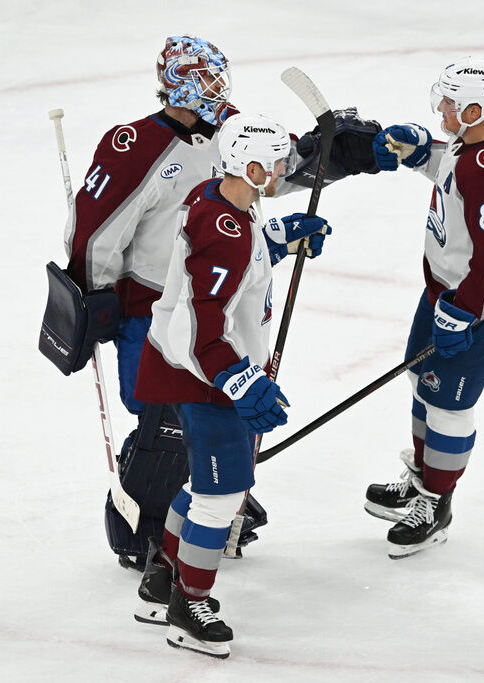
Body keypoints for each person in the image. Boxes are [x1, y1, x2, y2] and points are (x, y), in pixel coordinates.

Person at [63, 34, 381, 568]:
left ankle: (211, 494)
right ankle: (143, 530)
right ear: (177, 85)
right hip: (153, 304)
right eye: (206, 80)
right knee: (165, 416)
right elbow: (97, 231)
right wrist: (93, 295)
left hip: (216, 293)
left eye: (218, 77)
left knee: (213, 402)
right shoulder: (136, 145)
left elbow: (264, 175)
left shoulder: (228, 128)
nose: (218, 89)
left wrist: (328, 153)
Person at [130, 112, 333, 658]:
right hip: (207, 377)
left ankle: (163, 577)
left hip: (201, 370)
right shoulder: (224, 234)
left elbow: (234, 245)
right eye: (275, 160)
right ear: (248, 163)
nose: (284, 168)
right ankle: (188, 607)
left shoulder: (221, 199)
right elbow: (201, 326)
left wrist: (275, 237)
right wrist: (241, 382)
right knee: (222, 496)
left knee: (204, 484)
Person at [363, 57, 484, 559]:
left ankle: (436, 502)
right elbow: (456, 168)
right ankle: (424, 474)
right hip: (448, 292)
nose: (438, 107)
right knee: (421, 380)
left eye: (447, 102)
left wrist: (466, 311)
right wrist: (425, 152)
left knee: (449, 404)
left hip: (481, 304)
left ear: (473, 107)